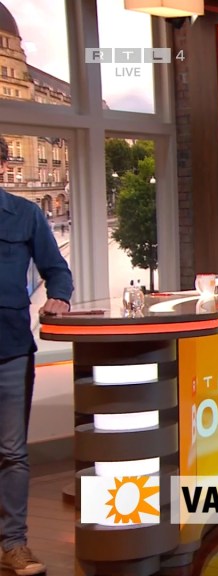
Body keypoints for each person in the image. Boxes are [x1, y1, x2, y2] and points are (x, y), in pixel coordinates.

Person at [0, 137, 72, 576]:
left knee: (11, 452)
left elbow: (57, 270)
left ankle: (13, 545)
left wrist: (59, 297)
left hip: (10, 348)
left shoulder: (25, 214)